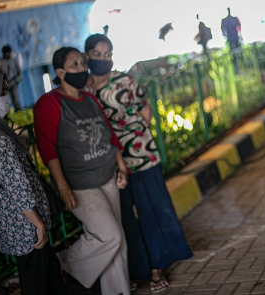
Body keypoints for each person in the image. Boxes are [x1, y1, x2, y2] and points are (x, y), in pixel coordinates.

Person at [83, 34, 193, 293]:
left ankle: (156, 268)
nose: (103, 59)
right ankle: (133, 270)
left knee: (150, 212)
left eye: (108, 54)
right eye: (97, 54)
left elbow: (145, 110)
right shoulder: (84, 87)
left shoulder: (124, 81)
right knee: (123, 220)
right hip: (108, 163)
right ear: (87, 55)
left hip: (141, 156)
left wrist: (134, 135)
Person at [33, 47, 130, 295]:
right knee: (110, 235)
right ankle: (64, 261)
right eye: (74, 65)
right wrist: (63, 186)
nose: (82, 68)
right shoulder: (49, 103)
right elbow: (48, 149)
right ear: (60, 72)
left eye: (83, 63)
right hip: (79, 183)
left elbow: (110, 136)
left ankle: (118, 291)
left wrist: (121, 168)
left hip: (107, 175)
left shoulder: (89, 99)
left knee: (118, 240)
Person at [0, 71, 68, 295]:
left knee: (45, 277)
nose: (6, 97)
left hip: (11, 224)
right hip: (26, 225)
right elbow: (17, 188)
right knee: (41, 283)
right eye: (1, 92)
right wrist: (39, 224)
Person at [0, 45, 22, 110]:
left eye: (8, 53)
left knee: (16, 100)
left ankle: (19, 112)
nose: (7, 55)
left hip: (13, 82)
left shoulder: (14, 60)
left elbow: (18, 71)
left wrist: (18, 79)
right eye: (5, 53)